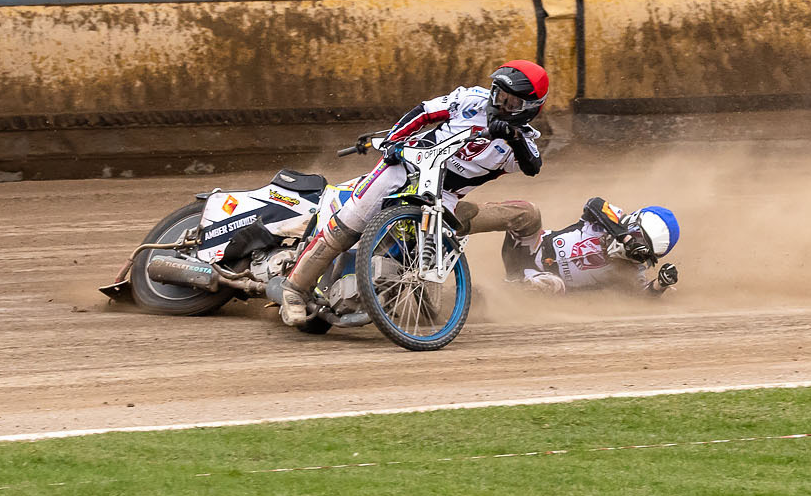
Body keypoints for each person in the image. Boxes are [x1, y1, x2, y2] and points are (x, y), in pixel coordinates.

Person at [277, 60, 549, 324]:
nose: (500, 103)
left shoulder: (523, 144)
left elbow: (533, 166)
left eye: (511, 102)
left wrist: (512, 136)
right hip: (407, 165)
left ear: (530, 109)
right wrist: (394, 141)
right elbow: (423, 113)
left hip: (446, 194)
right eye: (498, 94)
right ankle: (294, 289)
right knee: (349, 222)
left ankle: (400, 290)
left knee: (434, 244)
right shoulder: (469, 100)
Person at [515, 197, 681, 297]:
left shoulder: (632, 271)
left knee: (552, 285)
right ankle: (488, 216)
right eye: (639, 238)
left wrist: (660, 284)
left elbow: (641, 295)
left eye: (645, 252)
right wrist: (626, 238)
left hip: (545, 279)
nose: (638, 251)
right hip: (534, 243)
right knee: (528, 211)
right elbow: (594, 203)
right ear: (632, 222)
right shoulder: (611, 218)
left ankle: (508, 294)